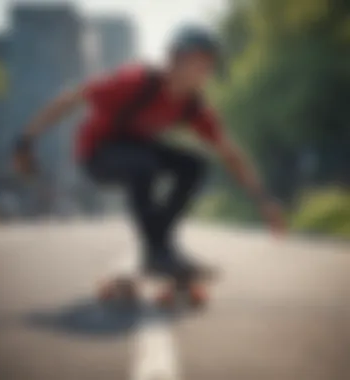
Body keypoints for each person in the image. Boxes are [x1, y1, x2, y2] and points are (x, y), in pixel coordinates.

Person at [14, 25, 285, 282]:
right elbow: (71, 98)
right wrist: (25, 141)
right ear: (175, 59)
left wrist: (263, 199)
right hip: (97, 156)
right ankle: (158, 253)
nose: (205, 72)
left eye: (209, 65)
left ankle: (160, 249)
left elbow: (230, 152)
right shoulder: (136, 81)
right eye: (199, 63)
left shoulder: (193, 106)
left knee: (194, 165)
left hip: (138, 152)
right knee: (143, 164)